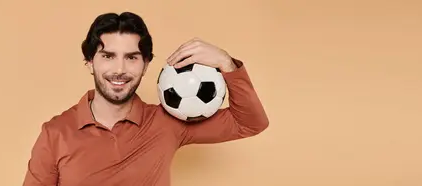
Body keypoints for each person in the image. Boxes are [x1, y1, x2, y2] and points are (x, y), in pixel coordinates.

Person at [22, 11, 269, 186]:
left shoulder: (167, 122)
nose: (119, 69)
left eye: (131, 57)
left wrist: (226, 63)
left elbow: (249, 123)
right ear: (89, 62)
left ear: (146, 64)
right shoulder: (55, 132)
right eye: (108, 56)